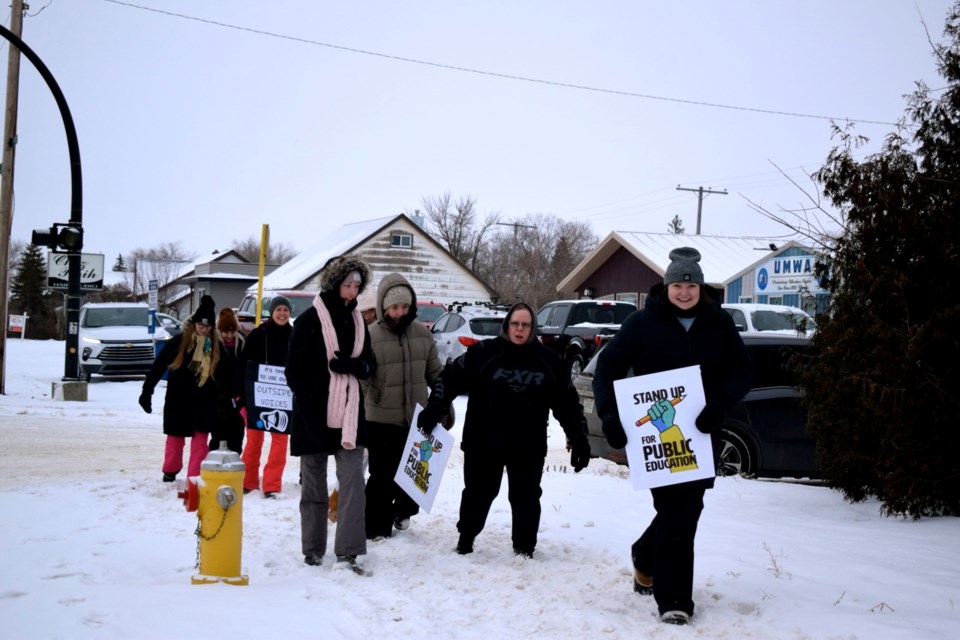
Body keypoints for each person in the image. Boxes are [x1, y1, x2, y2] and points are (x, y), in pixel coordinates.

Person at [591, 247, 751, 626]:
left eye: (691, 284)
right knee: (676, 512)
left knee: (685, 512)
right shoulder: (642, 323)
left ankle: (645, 557)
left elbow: (742, 370)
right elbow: (607, 369)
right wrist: (610, 415)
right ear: (666, 286)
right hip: (657, 442)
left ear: (700, 287)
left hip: (701, 436)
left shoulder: (719, 324)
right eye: (678, 284)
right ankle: (674, 600)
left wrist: (720, 403)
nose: (684, 291)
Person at [418, 302, 591, 559]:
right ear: (507, 325)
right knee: (478, 493)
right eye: (515, 324)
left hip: (527, 445)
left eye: (526, 325)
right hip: (484, 441)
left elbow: (568, 404)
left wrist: (579, 439)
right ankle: (466, 539)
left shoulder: (549, 362)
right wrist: (435, 408)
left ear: (533, 329)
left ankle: (524, 549)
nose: (520, 330)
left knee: (526, 498)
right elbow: (449, 378)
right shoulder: (484, 353)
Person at [285, 255, 376, 575]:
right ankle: (312, 550)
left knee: (353, 480)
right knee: (313, 484)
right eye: (348, 284)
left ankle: (348, 551)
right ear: (334, 284)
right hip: (312, 413)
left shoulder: (358, 321)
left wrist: (352, 366)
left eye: (356, 286)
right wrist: (310, 410)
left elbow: (370, 366)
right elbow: (293, 372)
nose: (352, 291)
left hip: (350, 415)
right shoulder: (309, 320)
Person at [363, 273, 444, 539]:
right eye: (394, 307)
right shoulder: (371, 336)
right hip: (380, 419)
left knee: (414, 475)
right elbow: (362, 380)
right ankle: (376, 527)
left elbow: (435, 374)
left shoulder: (422, 333)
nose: (400, 312)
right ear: (383, 307)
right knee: (382, 478)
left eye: (405, 307)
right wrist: (360, 410)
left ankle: (403, 512)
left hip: (416, 420)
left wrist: (442, 405)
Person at [139, 295, 232, 482]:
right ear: (194, 324)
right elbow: (158, 367)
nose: (204, 329)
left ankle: (194, 478)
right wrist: (147, 391)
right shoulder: (179, 341)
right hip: (178, 400)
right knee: (175, 441)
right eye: (200, 325)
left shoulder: (217, 347)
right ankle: (170, 471)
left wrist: (233, 399)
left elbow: (229, 375)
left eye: (207, 327)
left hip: (204, 402)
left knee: (200, 443)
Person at [240, 296, 294, 498]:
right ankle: (248, 482)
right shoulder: (257, 335)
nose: (282, 313)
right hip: (256, 398)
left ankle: (272, 485)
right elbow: (243, 366)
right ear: (271, 312)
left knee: (280, 444)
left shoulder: (294, 335)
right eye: (278, 309)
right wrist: (242, 398)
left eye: (285, 310)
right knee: (254, 441)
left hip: (283, 400)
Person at [210, 308, 246, 454]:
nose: (230, 335)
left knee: (236, 438)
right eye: (226, 332)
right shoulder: (214, 346)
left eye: (233, 332)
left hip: (237, 399)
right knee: (218, 438)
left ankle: (234, 470)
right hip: (219, 400)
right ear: (219, 330)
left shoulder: (242, 344)